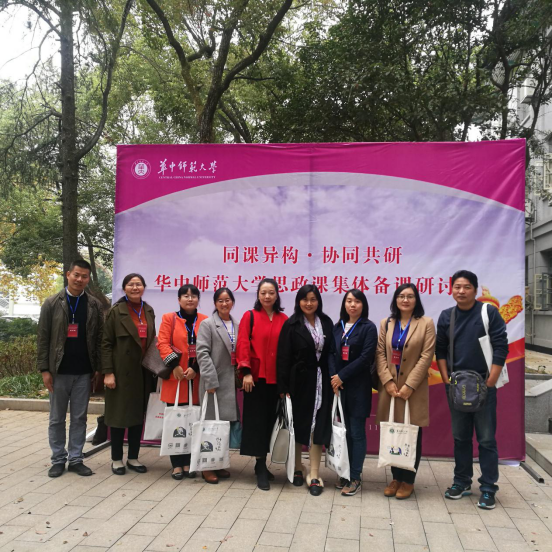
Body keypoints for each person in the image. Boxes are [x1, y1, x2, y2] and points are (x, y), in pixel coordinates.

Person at [436, 270, 508, 510]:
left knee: (486, 439)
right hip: (457, 387)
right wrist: (446, 380)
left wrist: (490, 381)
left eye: (466, 287)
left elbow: (501, 347)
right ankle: (462, 482)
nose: (461, 291)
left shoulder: (488, 312)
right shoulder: (447, 316)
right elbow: (440, 350)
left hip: (484, 386)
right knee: (460, 437)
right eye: (457, 287)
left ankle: (488, 488)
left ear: (475, 290)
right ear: (451, 290)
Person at [37, 259, 104, 478]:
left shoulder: (94, 305)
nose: (80, 279)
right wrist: (44, 370)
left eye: (84, 276)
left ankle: (75, 459)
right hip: (58, 371)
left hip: (84, 372)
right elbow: (43, 338)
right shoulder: (52, 303)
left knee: (79, 418)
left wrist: (98, 368)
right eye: (76, 275)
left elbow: (99, 338)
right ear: (68, 275)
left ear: (88, 279)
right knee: (56, 418)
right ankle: (58, 459)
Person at [376, 283, 436, 500]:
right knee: (393, 432)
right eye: (401, 296)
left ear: (416, 300)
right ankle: (395, 477)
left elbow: (426, 356)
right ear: (396, 299)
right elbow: (380, 353)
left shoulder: (426, 323)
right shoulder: (386, 323)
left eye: (410, 296)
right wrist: (387, 381)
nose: (405, 300)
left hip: (413, 389)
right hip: (391, 389)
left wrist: (410, 385)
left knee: (411, 434)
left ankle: (408, 480)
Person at [277, 284, 334, 496]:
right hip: (299, 382)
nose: (309, 303)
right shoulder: (291, 324)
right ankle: (297, 467)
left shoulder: (326, 322)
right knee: (299, 425)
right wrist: (283, 387)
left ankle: (315, 473)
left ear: (318, 301)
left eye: (313, 299)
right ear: (298, 302)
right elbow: (283, 357)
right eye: (305, 299)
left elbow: (332, 353)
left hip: (322, 381)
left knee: (318, 426)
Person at [236, 278, 288, 491]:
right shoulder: (249, 316)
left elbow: (287, 351)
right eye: (263, 292)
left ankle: (265, 463)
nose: (267, 296)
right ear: (258, 295)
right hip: (256, 380)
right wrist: (246, 372)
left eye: (271, 293)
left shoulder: (284, 319)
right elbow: (242, 344)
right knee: (257, 423)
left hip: (277, 380)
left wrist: (285, 383)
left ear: (277, 295)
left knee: (272, 423)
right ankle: (259, 465)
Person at [102, 273, 156, 475]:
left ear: (144, 287)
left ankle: (133, 457)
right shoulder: (116, 311)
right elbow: (106, 344)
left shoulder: (148, 310)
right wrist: (108, 372)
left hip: (143, 372)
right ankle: (116, 459)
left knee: (137, 416)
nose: (135, 288)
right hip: (121, 372)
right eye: (131, 284)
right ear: (124, 288)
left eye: (138, 284)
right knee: (118, 415)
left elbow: (152, 341)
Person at [328, 289, 377, 496]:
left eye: (357, 301)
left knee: (356, 432)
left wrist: (342, 376)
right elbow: (330, 353)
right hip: (339, 387)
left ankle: (355, 476)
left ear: (363, 305)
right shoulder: (338, 326)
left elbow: (366, 358)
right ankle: (345, 472)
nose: (352, 305)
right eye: (349, 301)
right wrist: (334, 377)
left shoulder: (368, 327)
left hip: (358, 388)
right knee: (343, 432)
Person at [157, 284, 208, 480]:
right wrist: (175, 366)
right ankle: (177, 464)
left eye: (193, 295)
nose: (190, 299)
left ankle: (189, 461)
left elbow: (207, 346)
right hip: (176, 378)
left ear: (198, 299)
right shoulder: (169, 318)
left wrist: (196, 368)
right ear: (179, 299)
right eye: (185, 296)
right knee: (176, 421)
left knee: (193, 421)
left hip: (195, 378)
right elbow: (162, 343)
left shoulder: (204, 320)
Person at [196, 287, 240, 485]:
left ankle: (218, 462)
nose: (224, 303)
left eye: (228, 300)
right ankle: (206, 467)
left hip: (230, 383)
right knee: (209, 426)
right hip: (213, 383)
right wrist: (210, 380)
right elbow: (202, 353)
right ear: (215, 303)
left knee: (223, 426)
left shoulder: (237, 325)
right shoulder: (207, 324)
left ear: (232, 302)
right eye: (220, 300)